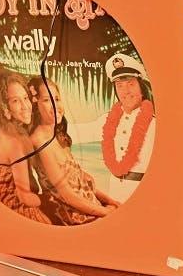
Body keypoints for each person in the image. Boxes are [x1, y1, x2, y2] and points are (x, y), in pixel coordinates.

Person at [27, 76, 118, 222]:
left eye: (57, 99)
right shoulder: (40, 142)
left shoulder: (58, 136)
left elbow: (82, 183)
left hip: (87, 206)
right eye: (47, 100)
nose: (55, 105)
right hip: (70, 215)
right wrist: (107, 212)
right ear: (35, 105)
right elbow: (68, 196)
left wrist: (111, 202)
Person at [69, 53, 156, 203]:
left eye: (130, 84)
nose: (125, 91)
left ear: (141, 87)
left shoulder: (155, 124)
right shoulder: (109, 120)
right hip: (114, 192)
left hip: (145, 194)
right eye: (119, 86)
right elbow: (77, 133)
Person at [0, 69, 51, 225]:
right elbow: (25, 198)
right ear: (5, 108)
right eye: (16, 101)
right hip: (16, 210)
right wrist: (47, 200)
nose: (25, 106)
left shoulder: (8, 131)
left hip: (4, 206)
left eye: (25, 98)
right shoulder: (15, 140)